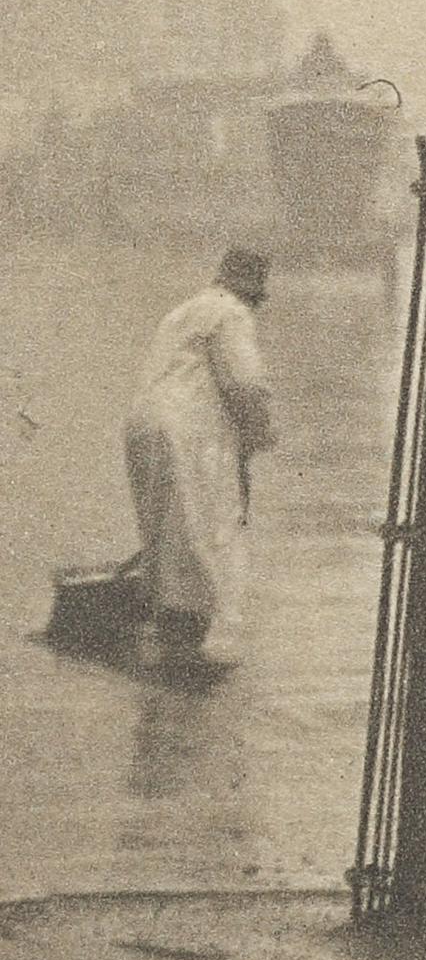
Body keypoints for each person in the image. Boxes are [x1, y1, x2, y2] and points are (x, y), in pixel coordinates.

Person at [124, 246, 276, 661]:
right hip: (188, 433)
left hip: (143, 426)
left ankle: (161, 645)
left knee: (166, 540)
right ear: (253, 289)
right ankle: (183, 658)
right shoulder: (232, 314)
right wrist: (259, 437)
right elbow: (245, 385)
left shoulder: (182, 312)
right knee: (205, 540)